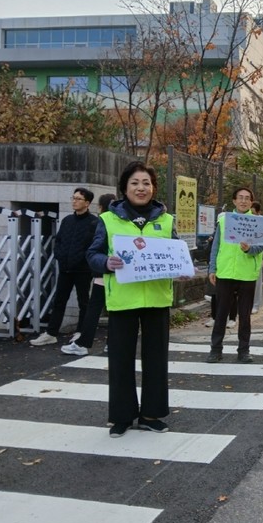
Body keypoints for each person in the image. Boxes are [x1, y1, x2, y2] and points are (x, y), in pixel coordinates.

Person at [87, 161, 176, 438]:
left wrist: (182, 269)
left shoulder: (166, 220)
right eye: (135, 183)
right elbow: (92, 255)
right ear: (124, 188)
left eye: (146, 183)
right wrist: (106, 263)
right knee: (121, 360)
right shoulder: (108, 219)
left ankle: (151, 415)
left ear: (154, 188)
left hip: (157, 299)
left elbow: (176, 254)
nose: (141, 188)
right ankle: (122, 416)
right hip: (123, 299)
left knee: (157, 360)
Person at [30, 188, 97, 347]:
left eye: (78, 199)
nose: (74, 201)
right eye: (73, 198)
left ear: (87, 203)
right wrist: (59, 255)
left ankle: (81, 332)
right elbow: (59, 240)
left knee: (83, 301)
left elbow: (93, 245)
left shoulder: (94, 222)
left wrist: (81, 259)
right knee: (59, 301)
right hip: (65, 267)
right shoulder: (67, 220)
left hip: (83, 269)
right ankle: (51, 333)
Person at [205, 187, 263, 364]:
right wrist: (212, 268)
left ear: (251, 202)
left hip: (247, 274)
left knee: (245, 315)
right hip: (225, 272)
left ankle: (244, 350)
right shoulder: (224, 220)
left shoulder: (258, 222)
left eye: (247, 198)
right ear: (234, 201)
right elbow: (216, 246)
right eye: (240, 197)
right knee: (221, 313)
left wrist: (249, 249)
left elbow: (262, 246)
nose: (243, 201)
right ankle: (215, 349)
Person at [61, 193, 116, 356]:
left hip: (101, 272)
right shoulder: (120, 221)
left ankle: (83, 343)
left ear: (100, 207)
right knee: (115, 310)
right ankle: (112, 343)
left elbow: (93, 248)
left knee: (94, 309)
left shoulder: (100, 222)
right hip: (118, 272)